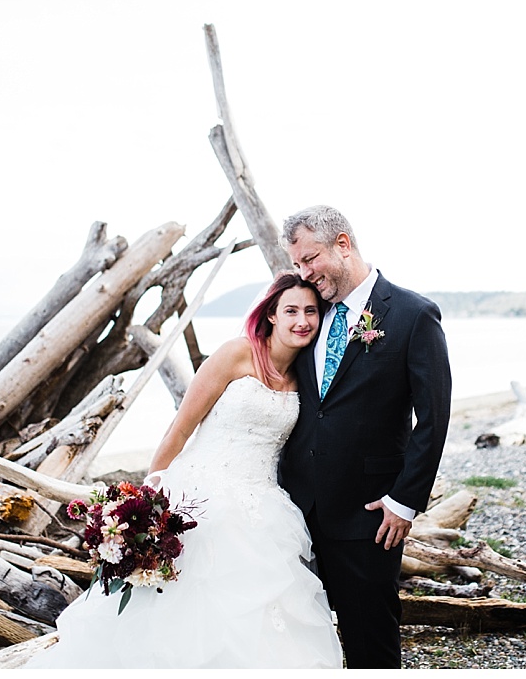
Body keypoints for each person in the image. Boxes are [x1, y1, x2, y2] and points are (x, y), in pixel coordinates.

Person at [25, 271, 343, 669]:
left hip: (263, 506)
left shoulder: (306, 376)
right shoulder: (236, 354)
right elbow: (180, 429)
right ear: (272, 315)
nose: (302, 321)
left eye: (311, 312)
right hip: (200, 496)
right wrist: (151, 493)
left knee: (265, 609)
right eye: (291, 310)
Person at [278, 205, 452, 669]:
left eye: (310, 259)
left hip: (370, 516)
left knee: (370, 639)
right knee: (297, 634)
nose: (304, 272)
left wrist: (404, 501)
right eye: (297, 265)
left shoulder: (414, 316)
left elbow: (433, 420)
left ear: (343, 244)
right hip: (295, 510)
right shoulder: (309, 318)